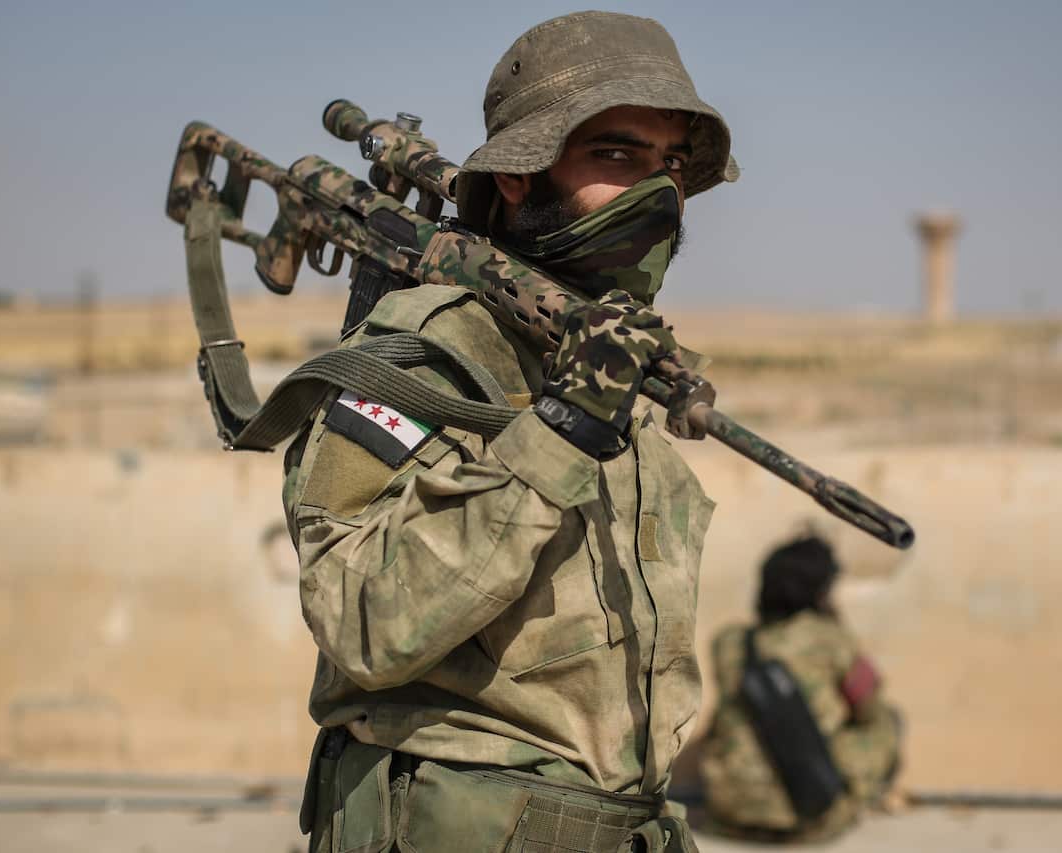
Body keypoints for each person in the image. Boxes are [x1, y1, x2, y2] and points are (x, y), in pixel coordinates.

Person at [283, 11, 737, 853]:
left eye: (671, 164)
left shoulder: (609, 368)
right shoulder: (427, 352)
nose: (659, 192)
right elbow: (360, 618)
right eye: (617, 155)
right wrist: (557, 434)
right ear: (522, 176)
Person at [700, 535, 902, 842]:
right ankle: (849, 802)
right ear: (822, 590)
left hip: (728, 811)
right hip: (808, 818)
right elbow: (868, 708)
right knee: (889, 721)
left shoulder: (728, 642)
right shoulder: (830, 639)